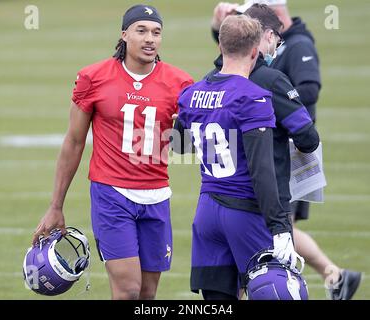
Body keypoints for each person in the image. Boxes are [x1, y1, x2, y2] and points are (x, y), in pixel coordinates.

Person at [32, 4, 193, 300]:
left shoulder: (180, 83)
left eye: (156, 32)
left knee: (147, 293)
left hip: (157, 195)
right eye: (141, 30)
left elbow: (187, 145)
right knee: (128, 291)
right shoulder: (94, 77)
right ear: (124, 35)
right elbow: (74, 142)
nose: (150, 39)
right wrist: (56, 204)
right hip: (111, 195)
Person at [210, 0, 362, 300]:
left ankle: (330, 275)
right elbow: (232, 56)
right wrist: (219, 29)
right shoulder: (255, 64)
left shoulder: (297, 46)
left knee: (277, 228)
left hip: (287, 152)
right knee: (277, 229)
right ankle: (335, 275)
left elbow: (309, 89)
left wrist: (277, 101)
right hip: (258, 158)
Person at [173, 14, 301, 300]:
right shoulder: (254, 96)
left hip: (206, 212)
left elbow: (179, 146)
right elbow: (262, 170)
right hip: (245, 212)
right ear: (255, 51)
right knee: (278, 293)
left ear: (220, 46)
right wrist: (280, 227)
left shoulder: (191, 94)